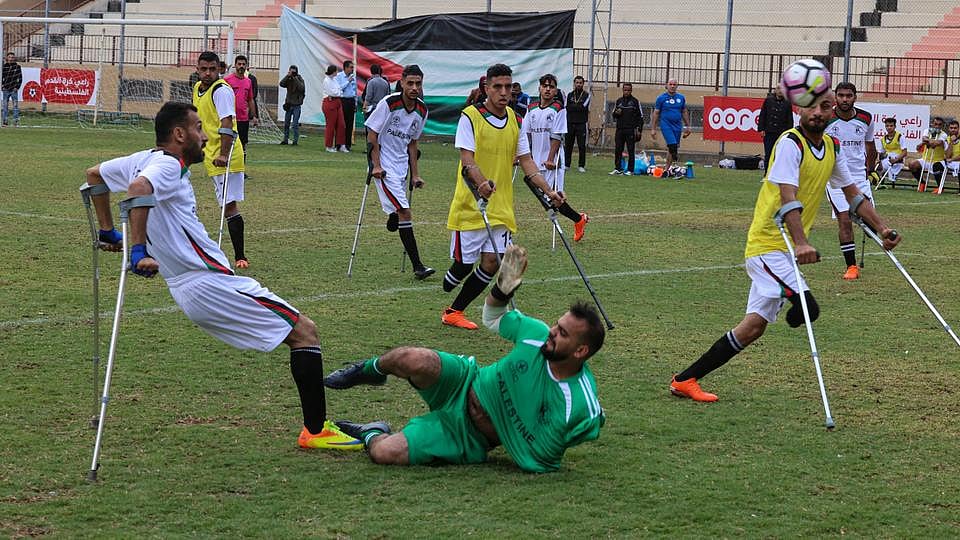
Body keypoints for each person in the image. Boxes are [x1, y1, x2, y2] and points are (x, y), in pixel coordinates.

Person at [83, 101, 360, 451]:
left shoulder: (143, 158)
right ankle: (316, 431)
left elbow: (93, 175)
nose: (205, 135)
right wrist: (138, 252)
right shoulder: (166, 164)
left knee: (301, 332)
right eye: (199, 128)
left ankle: (317, 427)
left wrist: (108, 231)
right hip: (208, 281)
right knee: (305, 332)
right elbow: (139, 191)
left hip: (191, 285)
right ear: (179, 134)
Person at [669, 90, 902, 402]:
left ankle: (685, 380)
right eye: (811, 106)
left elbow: (853, 194)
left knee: (752, 328)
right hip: (767, 245)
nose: (818, 112)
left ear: (832, 111)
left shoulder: (831, 146)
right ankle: (796, 308)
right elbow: (787, 197)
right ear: (800, 110)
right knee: (808, 306)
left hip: (785, 251)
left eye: (825, 106)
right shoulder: (790, 143)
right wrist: (803, 243)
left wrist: (883, 228)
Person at [323, 245, 606, 473]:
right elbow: (493, 317)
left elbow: (551, 449)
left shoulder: (576, 402)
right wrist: (503, 290)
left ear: (580, 351)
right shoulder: (536, 334)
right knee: (411, 358)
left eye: (562, 334)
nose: (552, 333)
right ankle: (368, 370)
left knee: (386, 452)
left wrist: (509, 429)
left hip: (467, 435)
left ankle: (371, 431)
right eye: (557, 325)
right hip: (464, 381)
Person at [442, 63, 563, 330]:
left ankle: (455, 311)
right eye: (498, 86)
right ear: (487, 88)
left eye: (508, 86)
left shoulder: (516, 119)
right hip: (472, 203)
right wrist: (481, 183)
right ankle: (452, 277)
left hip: (501, 206)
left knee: (493, 262)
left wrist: (549, 190)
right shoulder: (470, 116)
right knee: (463, 264)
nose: (504, 92)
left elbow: (527, 161)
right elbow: (467, 158)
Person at [364, 64, 435, 280]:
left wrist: (415, 174)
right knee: (406, 211)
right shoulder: (389, 103)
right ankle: (418, 267)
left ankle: (392, 216)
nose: (414, 87)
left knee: (399, 211)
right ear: (402, 82)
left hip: (402, 164)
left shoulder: (422, 110)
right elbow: (371, 134)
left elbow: (413, 143)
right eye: (410, 83)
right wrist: (376, 165)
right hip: (384, 165)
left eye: (418, 83)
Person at [192, 51, 249, 269]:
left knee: (229, 206)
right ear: (197, 69)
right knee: (224, 205)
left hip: (227, 156)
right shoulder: (198, 88)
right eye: (204, 69)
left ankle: (240, 257)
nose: (207, 73)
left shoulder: (221, 91)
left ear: (220, 69)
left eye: (212, 69)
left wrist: (224, 154)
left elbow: (227, 123)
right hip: (210, 155)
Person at [523, 73, 590, 242]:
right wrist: (523, 156)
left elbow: (557, 137)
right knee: (545, 195)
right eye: (544, 86)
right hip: (535, 160)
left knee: (554, 197)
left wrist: (551, 159)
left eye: (551, 87)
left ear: (555, 91)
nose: (547, 89)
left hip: (553, 160)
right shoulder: (531, 108)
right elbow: (525, 135)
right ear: (539, 88)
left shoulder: (559, 109)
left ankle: (578, 220)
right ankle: (579, 218)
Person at [824, 82, 876, 281]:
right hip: (836, 180)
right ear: (835, 97)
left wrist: (870, 170)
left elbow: (870, 146)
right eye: (841, 95)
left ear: (855, 97)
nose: (845, 99)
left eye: (849, 95)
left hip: (859, 178)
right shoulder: (826, 118)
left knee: (872, 225)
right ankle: (851, 266)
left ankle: (866, 221)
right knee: (844, 220)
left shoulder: (866, 118)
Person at [223, 55, 258, 171]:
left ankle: (241, 170)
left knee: (242, 145)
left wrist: (254, 116)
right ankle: (226, 168)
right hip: (230, 119)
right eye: (239, 64)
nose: (241, 66)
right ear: (235, 65)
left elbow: (250, 99)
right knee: (227, 143)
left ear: (246, 66)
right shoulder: (227, 80)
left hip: (243, 119)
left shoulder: (248, 82)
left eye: (243, 64)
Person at [650, 78, 692, 169]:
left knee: (672, 147)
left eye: (674, 84)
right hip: (666, 125)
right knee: (672, 145)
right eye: (670, 84)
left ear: (677, 86)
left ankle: (667, 169)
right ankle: (675, 160)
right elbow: (656, 113)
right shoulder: (661, 98)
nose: (672, 86)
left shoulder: (681, 98)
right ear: (667, 85)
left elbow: (684, 111)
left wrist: (688, 126)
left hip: (677, 125)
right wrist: (653, 128)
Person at [757, 84, 794, 171]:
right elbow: (763, 115)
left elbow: (789, 119)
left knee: (780, 155)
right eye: (778, 88)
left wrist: (789, 132)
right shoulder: (768, 101)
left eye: (782, 89)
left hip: (782, 133)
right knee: (769, 154)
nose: (780, 90)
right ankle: (767, 174)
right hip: (769, 132)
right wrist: (761, 129)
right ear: (775, 90)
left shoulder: (787, 103)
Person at [906, 116, 948, 192]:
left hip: (938, 160)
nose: (937, 126)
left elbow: (937, 143)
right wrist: (929, 141)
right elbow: (924, 139)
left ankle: (940, 187)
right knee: (912, 164)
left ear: (942, 126)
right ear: (932, 124)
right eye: (935, 124)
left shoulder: (944, 135)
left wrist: (927, 142)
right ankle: (922, 183)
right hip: (925, 159)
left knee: (937, 166)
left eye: (939, 125)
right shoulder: (927, 131)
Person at [609, 83, 642, 176]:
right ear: (622, 90)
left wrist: (639, 129)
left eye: (628, 90)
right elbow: (613, 115)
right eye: (625, 90)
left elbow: (640, 117)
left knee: (631, 150)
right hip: (620, 129)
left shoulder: (635, 102)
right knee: (618, 149)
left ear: (631, 91)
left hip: (630, 129)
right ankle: (618, 168)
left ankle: (630, 170)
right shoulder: (619, 101)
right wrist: (617, 113)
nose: (626, 92)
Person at [564, 75, 590, 173]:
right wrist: (576, 107)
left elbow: (583, 107)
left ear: (583, 84)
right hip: (570, 123)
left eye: (580, 83)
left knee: (581, 145)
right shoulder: (570, 95)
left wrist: (574, 107)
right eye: (577, 82)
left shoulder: (587, 95)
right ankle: (567, 164)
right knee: (568, 145)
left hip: (581, 123)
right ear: (574, 83)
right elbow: (567, 107)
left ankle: (581, 165)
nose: (578, 84)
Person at [321, 64, 348, 153]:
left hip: (337, 102)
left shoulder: (335, 80)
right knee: (331, 125)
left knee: (341, 124)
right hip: (330, 102)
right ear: (333, 71)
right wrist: (338, 93)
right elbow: (332, 92)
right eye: (336, 71)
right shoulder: (326, 80)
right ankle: (328, 146)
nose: (337, 72)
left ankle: (341, 145)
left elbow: (339, 89)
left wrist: (338, 93)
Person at [335, 60, 358, 151]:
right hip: (342, 100)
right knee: (341, 124)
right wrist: (348, 81)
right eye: (351, 67)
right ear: (345, 68)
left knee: (349, 124)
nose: (352, 69)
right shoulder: (339, 76)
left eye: (353, 67)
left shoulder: (353, 77)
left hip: (351, 101)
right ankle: (338, 144)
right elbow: (339, 88)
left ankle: (347, 145)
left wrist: (355, 103)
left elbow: (354, 91)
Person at [279, 64, 305, 145]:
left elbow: (302, 88)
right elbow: (281, 84)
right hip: (289, 105)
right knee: (286, 123)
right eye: (291, 71)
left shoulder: (300, 78)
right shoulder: (288, 78)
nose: (292, 73)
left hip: (297, 105)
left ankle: (295, 141)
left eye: (294, 72)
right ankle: (285, 140)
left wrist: (295, 78)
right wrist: (288, 76)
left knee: (295, 124)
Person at [875, 117, 905, 186]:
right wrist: (878, 159)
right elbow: (880, 152)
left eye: (891, 126)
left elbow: (904, 152)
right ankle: (875, 178)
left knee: (887, 163)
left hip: (898, 159)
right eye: (887, 126)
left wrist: (896, 159)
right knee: (875, 162)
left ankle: (882, 176)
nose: (889, 127)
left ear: (895, 127)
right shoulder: (883, 138)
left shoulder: (900, 137)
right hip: (887, 158)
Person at [2, 52, 22, 127]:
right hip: (6, 89)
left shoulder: (17, 67)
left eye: (12, 57)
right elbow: (1, 77)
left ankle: (15, 122)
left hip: (14, 89)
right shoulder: (4, 67)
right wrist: (2, 85)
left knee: (15, 106)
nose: (11, 59)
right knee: (5, 106)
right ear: (7, 58)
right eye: (9, 57)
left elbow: (20, 78)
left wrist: (17, 87)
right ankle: (5, 122)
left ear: (14, 58)